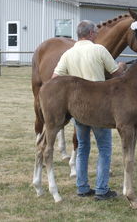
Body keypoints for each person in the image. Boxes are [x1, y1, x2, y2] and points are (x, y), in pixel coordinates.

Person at [52, 20, 126, 200]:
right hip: (99, 106)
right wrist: (122, 67)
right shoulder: (99, 50)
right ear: (92, 33)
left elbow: (55, 78)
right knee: (104, 148)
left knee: (83, 147)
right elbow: (116, 74)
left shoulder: (68, 53)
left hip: (78, 107)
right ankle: (102, 189)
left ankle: (82, 187)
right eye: (96, 32)